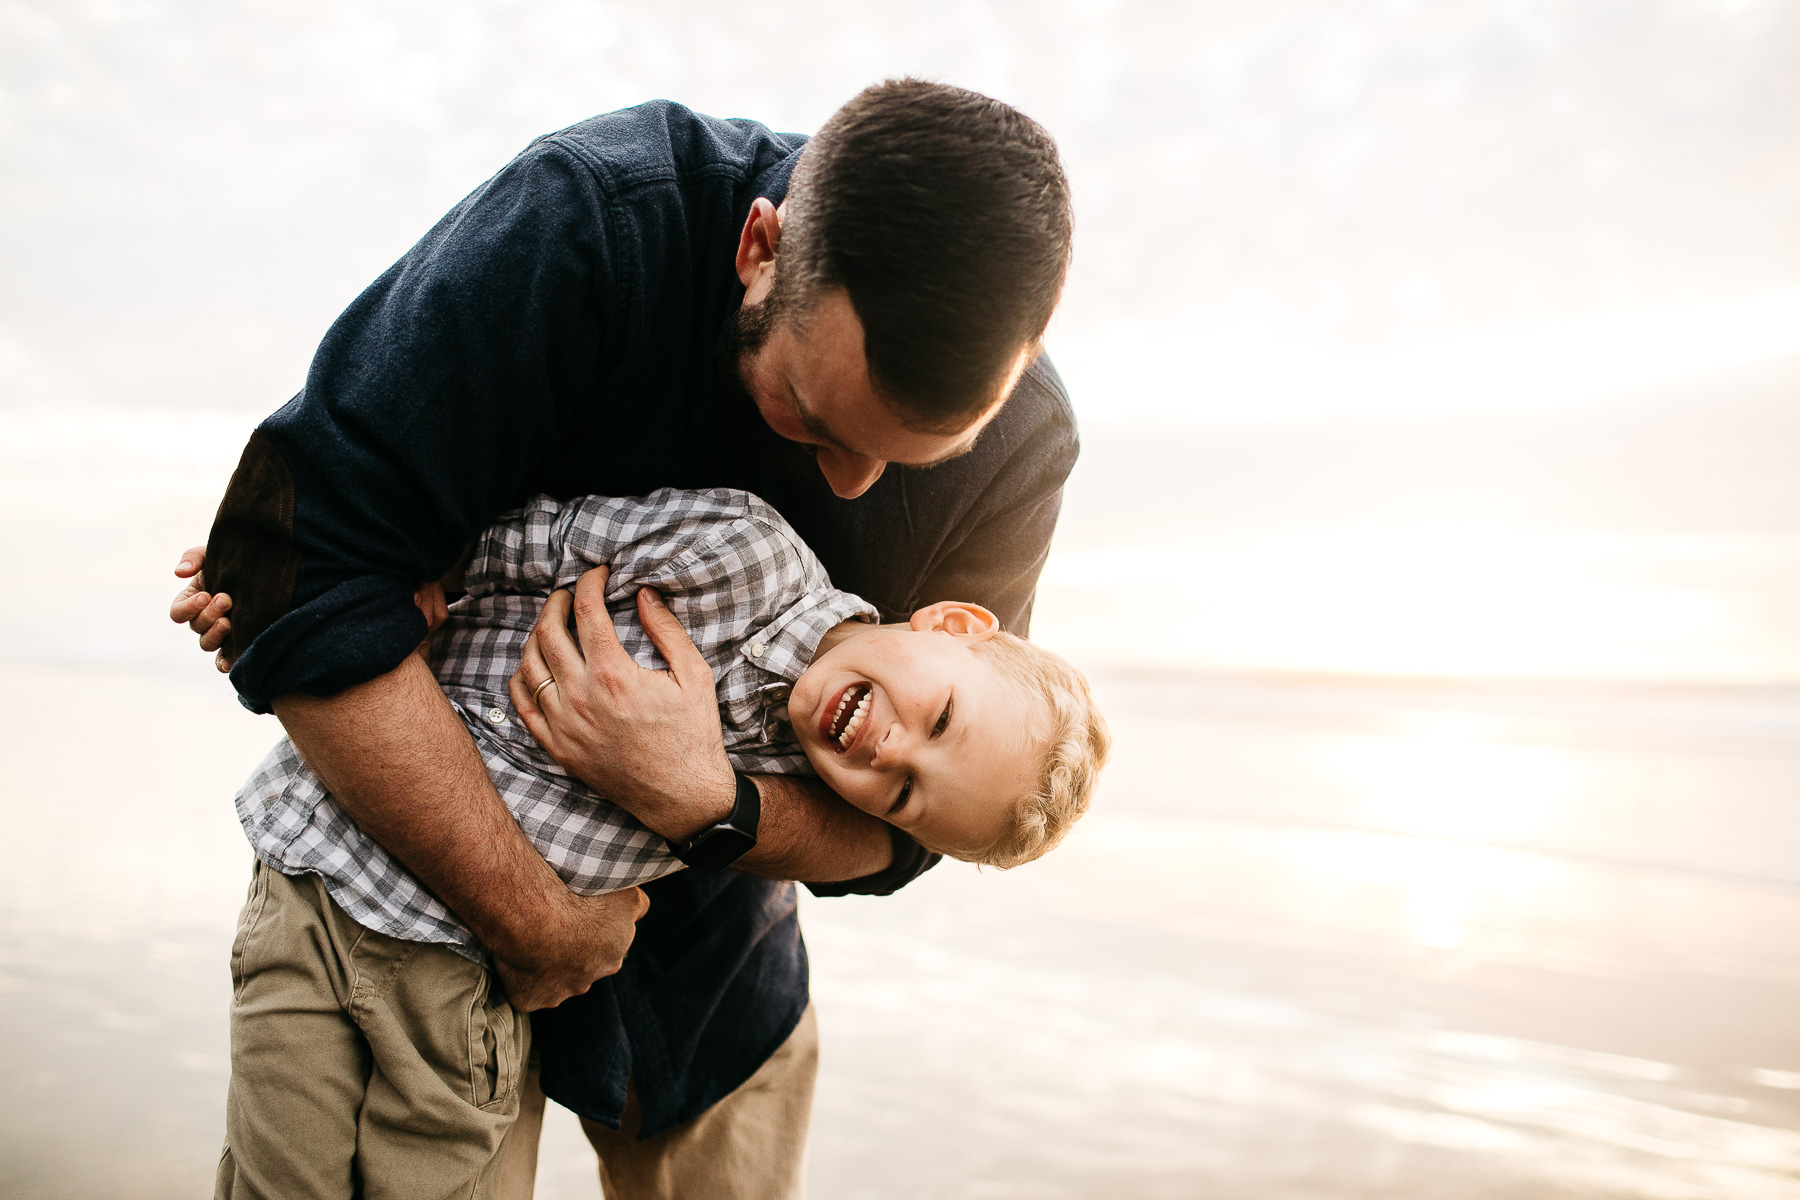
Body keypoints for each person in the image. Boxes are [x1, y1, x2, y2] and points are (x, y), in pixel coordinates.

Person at [174, 78, 1078, 1199]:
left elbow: (919, 825)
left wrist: (708, 802)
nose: (847, 485)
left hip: (715, 981)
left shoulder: (1024, 438)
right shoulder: (590, 219)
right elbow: (290, 566)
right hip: (422, 899)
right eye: (810, 414)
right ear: (760, 248)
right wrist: (535, 919)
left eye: (911, 458)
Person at [218, 485, 1109, 1197]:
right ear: (952, 624)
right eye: (941, 718)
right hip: (319, 858)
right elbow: (531, 539)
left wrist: (706, 799)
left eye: (905, 793)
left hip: (468, 972)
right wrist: (371, 590)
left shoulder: (800, 779)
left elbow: (887, 852)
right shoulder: (739, 551)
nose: (889, 750)